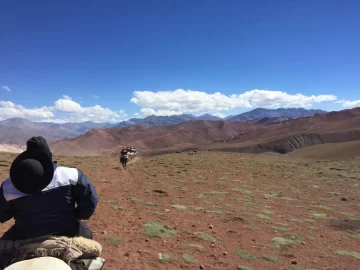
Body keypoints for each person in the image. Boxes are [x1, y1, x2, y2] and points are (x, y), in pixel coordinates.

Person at [0, 136, 98, 241]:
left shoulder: (8, 186)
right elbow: (90, 199)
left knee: (3, 250)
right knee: (87, 238)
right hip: (68, 231)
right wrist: (79, 215)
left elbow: (2, 214)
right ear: (49, 157)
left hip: (26, 234)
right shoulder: (71, 175)